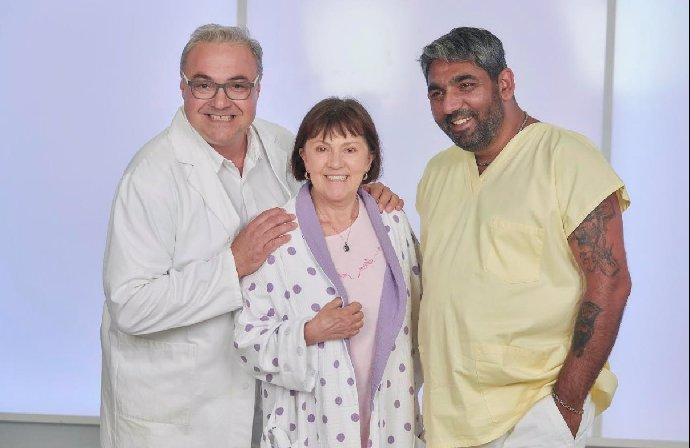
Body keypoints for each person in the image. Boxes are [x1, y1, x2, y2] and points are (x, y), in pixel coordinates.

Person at [100, 25, 402, 448]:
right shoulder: (150, 177)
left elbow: (324, 199)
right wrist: (233, 265)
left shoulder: (281, 146)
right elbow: (129, 306)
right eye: (204, 84)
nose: (221, 101)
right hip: (172, 414)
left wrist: (364, 193)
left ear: (258, 89)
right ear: (182, 87)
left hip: (269, 398)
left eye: (237, 85)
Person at [415, 27, 631, 448]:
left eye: (465, 85)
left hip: (533, 413)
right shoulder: (438, 171)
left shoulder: (565, 157)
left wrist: (566, 405)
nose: (450, 105)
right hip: (449, 419)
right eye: (437, 92)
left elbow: (612, 281)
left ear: (505, 83)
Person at [233, 97, 425, 448]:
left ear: (369, 159)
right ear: (304, 158)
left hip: (392, 418)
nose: (335, 162)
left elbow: (423, 317)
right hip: (311, 427)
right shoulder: (277, 236)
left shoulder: (393, 223)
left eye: (350, 149)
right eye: (322, 148)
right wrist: (309, 332)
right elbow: (248, 343)